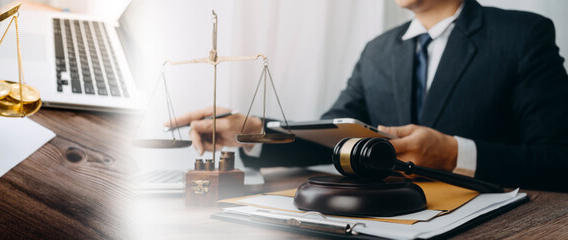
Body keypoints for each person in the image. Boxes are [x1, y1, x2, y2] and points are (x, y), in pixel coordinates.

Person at [167, 0, 568, 192]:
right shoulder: (379, 49)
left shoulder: (522, 35)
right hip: (382, 220)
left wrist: (454, 155)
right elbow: (332, 138)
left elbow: (558, 160)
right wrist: (254, 129)